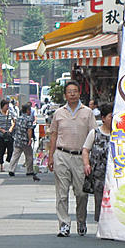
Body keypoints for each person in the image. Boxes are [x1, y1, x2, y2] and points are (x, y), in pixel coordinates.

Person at [48, 81, 97, 237]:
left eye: (75, 91)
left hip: (80, 157)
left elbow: (93, 135)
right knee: (62, 193)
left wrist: (89, 160)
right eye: (69, 92)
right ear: (65, 95)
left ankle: (81, 221)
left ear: (79, 93)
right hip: (62, 155)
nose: (72, 94)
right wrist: (51, 156)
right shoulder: (59, 113)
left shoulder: (88, 112)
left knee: (81, 194)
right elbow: (53, 135)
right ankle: (64, 224)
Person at [82, 103, 113, 222]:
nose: (113, 120)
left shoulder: (119, 134)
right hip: (99, 174)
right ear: (103, 118)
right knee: (99, 200)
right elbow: (86, 150)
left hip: (115, 175)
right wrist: (86, 164)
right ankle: (102, 224)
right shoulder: (95, 133)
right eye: (111, 117)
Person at [7, 102, 40, 181]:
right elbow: (29, 130)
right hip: (25, 141)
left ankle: (11, 169)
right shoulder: (28, 119)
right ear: (27, 110)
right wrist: (29, 139)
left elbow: (15, 128)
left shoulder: (18, 118)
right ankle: (29, 170)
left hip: (18, 139)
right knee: (29, 156)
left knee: (15, 155)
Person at [0, 98, 15, 172]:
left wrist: (11, 129)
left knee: (10, 150)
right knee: (1, 150)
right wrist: (2, 130)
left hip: (9, 134)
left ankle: (9, 161)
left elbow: (14, 122)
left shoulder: (11, 113)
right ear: (2, 106)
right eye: (6, 105)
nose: (7, 107)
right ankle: (1, 166)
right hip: (1, 135)